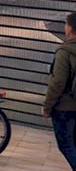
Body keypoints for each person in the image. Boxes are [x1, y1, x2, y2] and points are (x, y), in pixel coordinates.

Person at [47, 9, 75, 170]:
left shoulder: (64, 52)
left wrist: (47, 107)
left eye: (66, 23)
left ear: (70, 28)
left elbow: (57, 83)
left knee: (67, 146)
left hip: (65, 108)